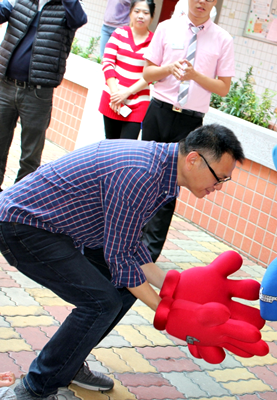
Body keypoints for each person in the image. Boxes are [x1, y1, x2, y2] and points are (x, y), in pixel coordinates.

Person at [0, 124, 247, 400]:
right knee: (101, 303)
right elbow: (119, 259)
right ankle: (34, 389)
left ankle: (66, 364)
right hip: (24, 225)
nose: (217, 188)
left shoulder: (162, 173)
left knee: (123, 293)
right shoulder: (142, 174)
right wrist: (170, 313)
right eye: (219, 178)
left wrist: (176, 290)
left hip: (70, 230)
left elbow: (128, 244)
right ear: (194, 160)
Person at [140, 0, 235, 261]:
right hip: (158, 111)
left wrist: (195, 76)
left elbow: (223, 87)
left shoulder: (222, 39)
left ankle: (148, 255)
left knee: (170, 185)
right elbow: (147, 72)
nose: (202, 2)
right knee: (142, 176)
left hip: (190, 122)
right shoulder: (166, 28)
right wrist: (168, 69)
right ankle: (128, 239)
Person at [0, 0, 87, 192]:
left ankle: (18, 204)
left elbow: (80, 19)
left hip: (37, 93)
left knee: (30, 155)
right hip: (5, 86)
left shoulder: (66, 8)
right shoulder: (22, 2)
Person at [99, 0, 154, 140]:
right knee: (110, 146)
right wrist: (116, 94)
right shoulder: (119, 33)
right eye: (137, 11)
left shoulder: (155, 42)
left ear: (152, 17)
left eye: (146, 13)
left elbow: (151, 75)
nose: (140, 16)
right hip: (113, 99)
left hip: (138, 102)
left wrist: (127, 93)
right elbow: (107, 63)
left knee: (126, 150)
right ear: (130, 14)